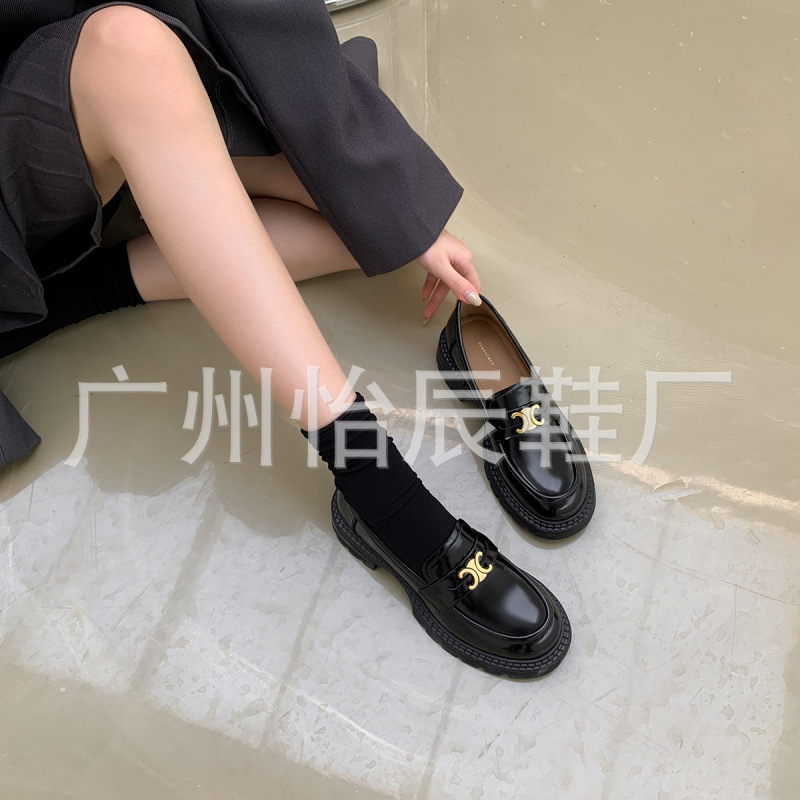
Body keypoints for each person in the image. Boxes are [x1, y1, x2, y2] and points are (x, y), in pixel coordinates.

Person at [0, 2, 573, 678]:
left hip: (70, 92)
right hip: (83, 98)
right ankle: (375, 487)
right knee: (132, 50)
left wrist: (398, 211)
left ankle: (86, 283)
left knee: (371, 222)